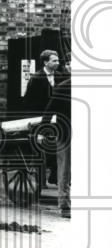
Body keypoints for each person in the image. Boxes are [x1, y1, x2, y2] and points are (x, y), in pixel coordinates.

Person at [40, 56, 72, 218]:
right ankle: (65, 204)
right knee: (65, 168)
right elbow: (49, 111)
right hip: (66, 133)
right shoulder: (63, 87)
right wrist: (41, 131)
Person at [24, 49, 61, 185]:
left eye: (58, 60)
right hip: (41, 119)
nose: (58, 63)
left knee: (58, 147)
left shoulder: (60, 76)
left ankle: (54, 176)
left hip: (57, 119)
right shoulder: (36, 78)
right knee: (43, 149)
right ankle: (42, 181)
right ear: (46, 62)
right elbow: (28, 101)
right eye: (54, 60)